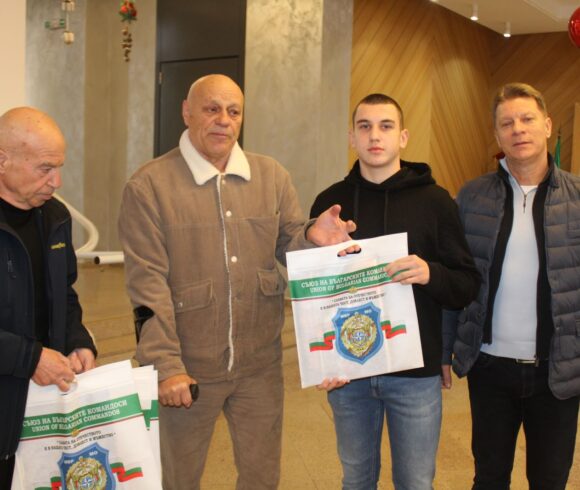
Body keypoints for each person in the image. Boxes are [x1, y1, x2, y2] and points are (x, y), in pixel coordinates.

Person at [118, 74, 357, 490]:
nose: (223, 120)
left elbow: (289, 243)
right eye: (212, 109)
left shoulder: (272, 176)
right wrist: (165, 366)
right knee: (176, 479)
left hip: (259, 366)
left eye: (233, 111)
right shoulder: (149, 186)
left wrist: (311, 237)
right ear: (187, 112)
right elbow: (147, 284)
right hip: (187, 368)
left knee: (262, 476)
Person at [310, 93, 480, 489]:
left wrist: (430, 273)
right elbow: (314, 293)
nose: (375, 135)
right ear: (351, 137)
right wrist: (321, 362)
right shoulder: (331, 204)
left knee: (415, 481)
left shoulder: (436, 202)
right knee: (356, 479)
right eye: (365, 126)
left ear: (402, 137)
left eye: (385, 126)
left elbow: (466, 284)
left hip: (414, 374)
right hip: (349, 372)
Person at [445, 82, 580, 489]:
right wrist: (443, 348)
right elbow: (454, 278)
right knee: (488, 478)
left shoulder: (577, 198)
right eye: (507, 123)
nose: (518, 129)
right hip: (489, 368)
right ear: (497, 134)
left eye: (527, 119)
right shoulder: (472, 197)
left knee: (549, 480)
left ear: (547, 125)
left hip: (557, 372)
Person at [0, 107, 97, 488]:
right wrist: (30, 358)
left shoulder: (55, 217)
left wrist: (77, 340)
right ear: (2, 161)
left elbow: (64, 293)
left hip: (40, 410)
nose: (56, 181)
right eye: (45, 168)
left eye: (59, 167)